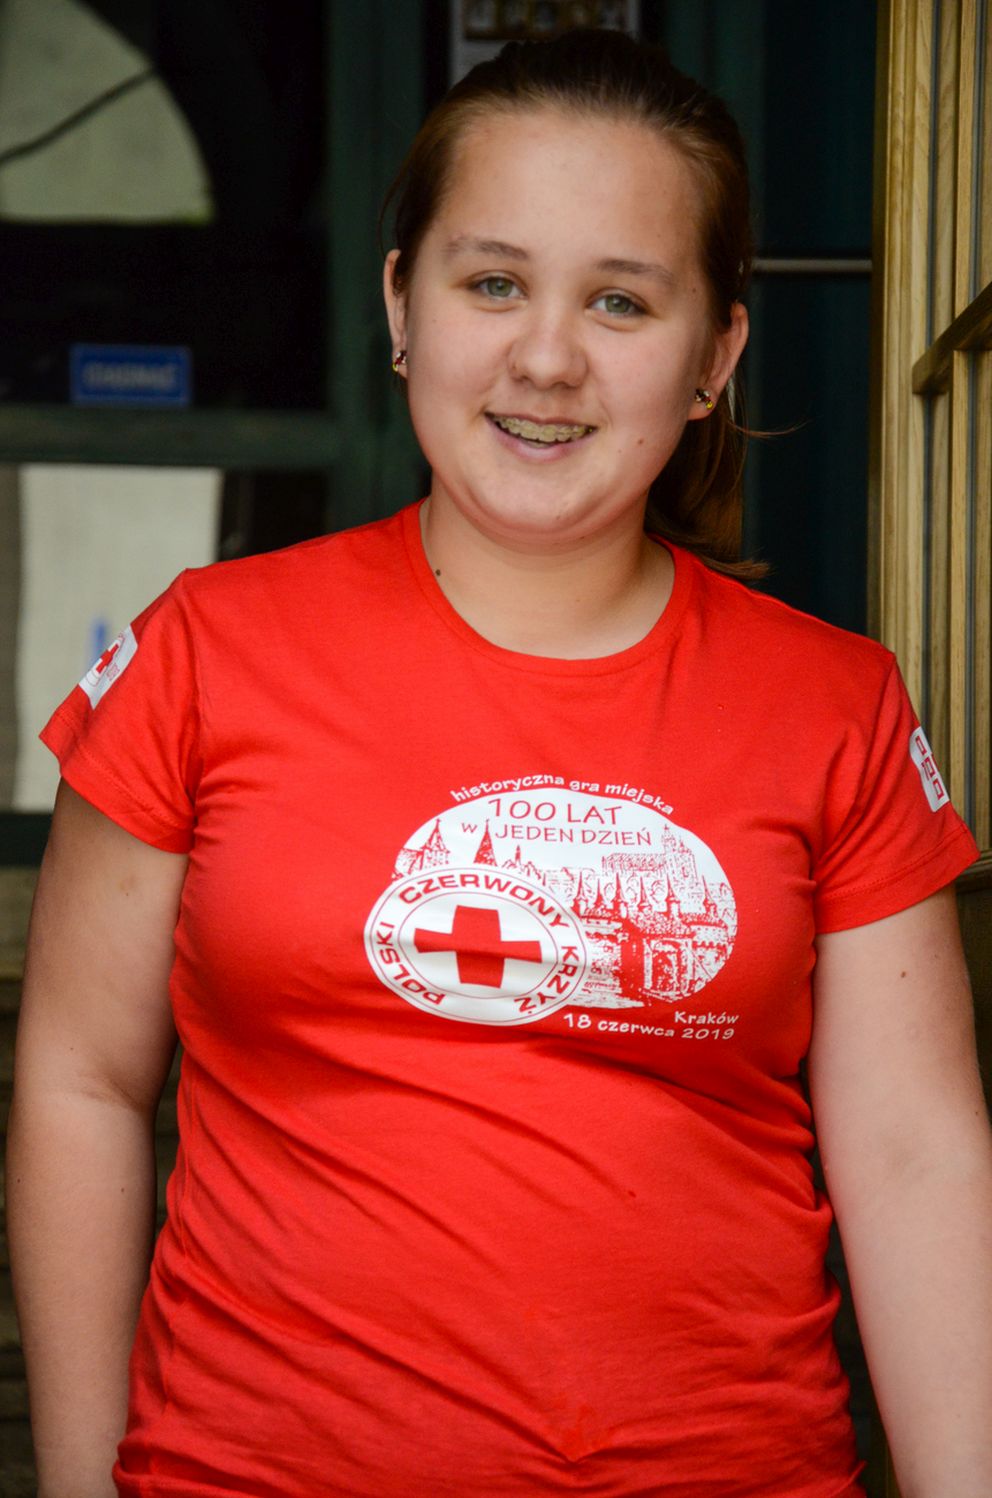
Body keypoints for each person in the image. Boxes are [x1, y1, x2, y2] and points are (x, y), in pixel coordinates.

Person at [8, 27, 992, 1498]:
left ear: (715, 356)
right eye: (492, 283)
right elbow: (82, 1080)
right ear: (401, 303)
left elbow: (913, 1152)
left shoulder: (833, 704)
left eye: (621, 300)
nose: (546, 358)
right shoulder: (205, 650)